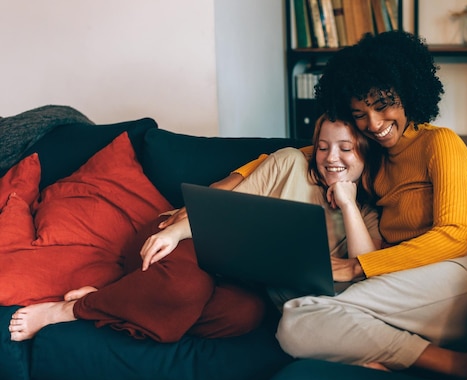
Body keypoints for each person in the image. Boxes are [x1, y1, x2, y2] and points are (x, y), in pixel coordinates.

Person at [238, 31, 467, 379]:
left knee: (299, 319)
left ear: (409, 92)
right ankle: (408, 360)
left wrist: (356, 268)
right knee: (297, 313)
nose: (374, 124)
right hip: (403, 275)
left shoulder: (439, 142)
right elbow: (310, 152)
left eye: (383, 106)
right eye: (360, 114)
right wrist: (238, 177)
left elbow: (453, 237)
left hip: (465, 267)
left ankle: (456, 366)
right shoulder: (375, 156)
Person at [8, 115, 382, 342]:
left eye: (346, 149)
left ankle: (119, 295)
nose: (331, 158)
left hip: (234, 277)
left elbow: (366, 267)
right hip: (189, 237)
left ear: (366, 153)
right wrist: (174, 231)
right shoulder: (289, 163)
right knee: (185, 287)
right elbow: (222, 212)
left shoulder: (367, 215)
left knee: (242, 316)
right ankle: (68, 312)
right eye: (322, 147)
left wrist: (347, 202)